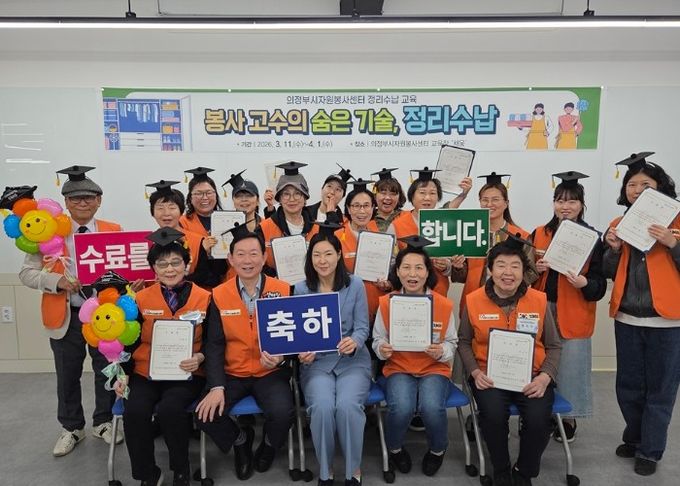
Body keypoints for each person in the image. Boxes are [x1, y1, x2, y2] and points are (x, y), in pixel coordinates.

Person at [18, 165, 125, 456]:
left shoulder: (113, 230)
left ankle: (103, 422)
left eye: (89, 197)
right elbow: (26, 274)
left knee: (106, 371)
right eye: (75, 198)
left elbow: (124, 269)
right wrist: (57, 282)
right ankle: (71, 428)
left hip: (105, 317)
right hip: (66, 316)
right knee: (67, 375)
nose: (82, 203)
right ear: (66, 202)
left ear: (98, 201)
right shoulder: (48, 231)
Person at [458, 236, 562, 486]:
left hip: (533, 376)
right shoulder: (473, 300)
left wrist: (545, 377)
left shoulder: (538, 299)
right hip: (489, 377)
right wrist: (475, 372)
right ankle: (501, 469)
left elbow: (554, 345)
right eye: (501, 265)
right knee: (493, 416)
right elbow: (463, 341)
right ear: (490, 270)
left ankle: (524, 471)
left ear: (524, 271)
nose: (508, 272)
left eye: (515, 266)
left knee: (538, 420)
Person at [196, 225, 295, 480]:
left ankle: (269, 445)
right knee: (205, 415)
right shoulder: (219, 294)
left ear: (264, 257)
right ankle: (240, 441)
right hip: (232, 373)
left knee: (283, 413)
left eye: (253, 254)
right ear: (230, 259)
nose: (247, 261)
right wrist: (216, 386)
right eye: (240, 254)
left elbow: (294, 339)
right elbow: (214, 344)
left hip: (269, 372)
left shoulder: (284, 290)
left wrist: (281, 358)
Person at [603, 152, 680, 476]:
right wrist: (613, 249)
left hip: (667, 321)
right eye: (631, 185)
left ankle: (650, 450)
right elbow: (607, 270)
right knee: (628, 386)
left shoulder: (677, 222)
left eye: (645, 184)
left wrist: (672, 244)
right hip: (627, 318)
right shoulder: (619, 225)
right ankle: (634, 437)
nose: (637, 190)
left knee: (661, 389)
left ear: (660, 187)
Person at [114, 227, 211, 486]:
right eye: (162, 264)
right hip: (145, 372)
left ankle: (181, 469)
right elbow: (128, 343)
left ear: (186, 265)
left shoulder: (205, 298)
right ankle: (147, 473)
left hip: (188, 372)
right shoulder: (139, 300)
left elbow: (214, 342)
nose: (170, 269)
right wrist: (121, 375)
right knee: (135, 410)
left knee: (171, 409)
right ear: (153, 269)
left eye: (176, 262)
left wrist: (200, 357)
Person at [372, 235, 458, 477]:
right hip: (399, 367)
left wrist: (441, 351)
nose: (413, 274)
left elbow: (452, 342)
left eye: (419, 268)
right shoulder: (387, 302)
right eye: (406, 267)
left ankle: (438, 449)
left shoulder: (443, 304)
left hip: (434, 368)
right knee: (401, 407)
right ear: (397, 272)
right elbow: (377, 338)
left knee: (431, 406)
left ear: (427, 272)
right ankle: (395, 448)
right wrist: (382, 349)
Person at [294, 222, 372, 486]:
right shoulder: (301, 289)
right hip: (317, 362)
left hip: (352, 360)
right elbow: (300, 335)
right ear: (310, 259)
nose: (322, 260)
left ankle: (353, 470)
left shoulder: (355, 284)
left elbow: (362, 327)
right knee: (323, 407)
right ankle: (325, 470)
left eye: (328, 253)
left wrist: (355, 341)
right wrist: (302, 352)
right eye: (316, 255)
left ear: (339, 255)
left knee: (348, 407)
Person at [531, 171, 606, 442]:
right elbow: (522, 275)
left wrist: (584, 283)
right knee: (539, 362)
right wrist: (536, 269)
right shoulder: (540, 233)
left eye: (572, 201)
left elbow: (599, 284)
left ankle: (568, 418)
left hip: (574, 309)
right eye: (560, 201)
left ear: (581, 205)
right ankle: (540, 413)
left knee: (572, 365)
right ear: (553, 203)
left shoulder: (592, 238)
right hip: (542, 307)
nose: (565, 206)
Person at [451, 172, 537, 318]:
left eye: (495, 199)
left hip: (509, 303)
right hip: (474, 300)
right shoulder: (470, 233)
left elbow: (531, 272)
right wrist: (458, 267)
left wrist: (507, 283)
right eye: (485, 200)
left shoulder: (520, 236)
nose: (489, 204)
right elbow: (463, 277)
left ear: (506, 203)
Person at [388, 167, 471, 297]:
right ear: (412, 196)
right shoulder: (396, 225)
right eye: (422, 192)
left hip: (438, 293)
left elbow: (453, 265)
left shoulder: (445, 223)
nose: (427, 198)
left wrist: (446, 266)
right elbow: (390, 263)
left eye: (432, 193)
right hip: (406, 293)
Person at [146, 179, 226, 287]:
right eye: (160, 208)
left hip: (193, 295)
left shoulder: (198, 241)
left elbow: (209, 277)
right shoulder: (146, 244)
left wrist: (207, 254)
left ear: (181, 211)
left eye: (172, 208)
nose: (166, 213)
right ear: (153, 213)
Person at [334, 178, 390, 325]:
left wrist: (387, 283)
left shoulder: (381, 236)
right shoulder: (337, 237)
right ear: (348, 208)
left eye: (366, 206)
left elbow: (390, 269)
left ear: (373, 208)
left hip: (377, 308)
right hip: (347, 311)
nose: (362, 211)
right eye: (356, 206)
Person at [257, 161, 319, 275]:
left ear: (305, 198)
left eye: (297, 193)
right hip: (276, 284)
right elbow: (257, 261)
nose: (292, 199)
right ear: (279, 198)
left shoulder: (317, 229)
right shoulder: (264, 229)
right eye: (286, 194)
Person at [179, 166, 224, 238]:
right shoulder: (182, 222)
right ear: (190, 198)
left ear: (216, 195)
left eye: (209, 193)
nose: (205, 198)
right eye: (199, 193)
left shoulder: (227, 219)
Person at [371, 168, 406, 233]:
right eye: (383, 193)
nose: (388, 197)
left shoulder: (406, 217)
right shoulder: (367, 218)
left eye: (393, 194)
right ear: (375, 195)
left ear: (399, 196)